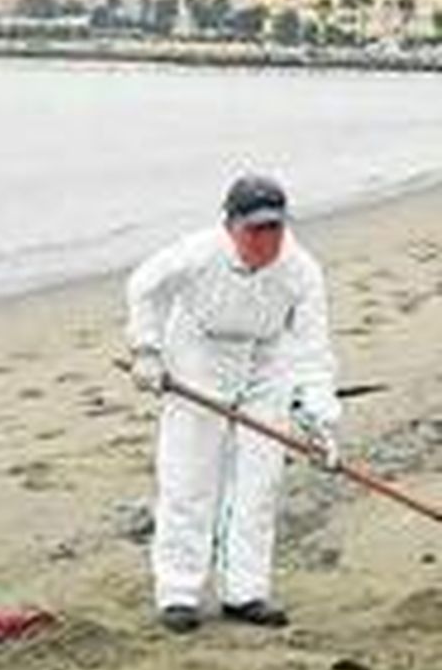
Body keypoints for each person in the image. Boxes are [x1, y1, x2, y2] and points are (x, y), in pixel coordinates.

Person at [125, 174, 339, 634]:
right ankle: (179, 594)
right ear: (231, 226)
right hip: (199, 353)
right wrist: (146, 350)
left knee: (260, 480)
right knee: (189, 476)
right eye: (255, 230)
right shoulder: (198, 252)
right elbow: (144, 286)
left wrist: (320, 420)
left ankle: (245, 592)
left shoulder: (301, 268)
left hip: (267, 357)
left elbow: (313, 347)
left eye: (275, 229)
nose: (267, 240)